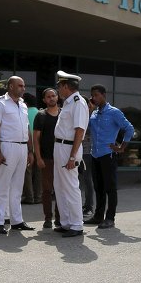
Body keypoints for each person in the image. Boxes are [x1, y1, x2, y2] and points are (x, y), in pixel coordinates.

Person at [0, 76, 34, 234]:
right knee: (2, 186)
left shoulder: (23, 105)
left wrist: (30, 150)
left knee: (17, 186)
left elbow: (27, 129)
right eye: (20, 85)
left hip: (22, 148)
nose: (23, 88)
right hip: (7, 146)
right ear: (10, 86)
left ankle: (17, 220)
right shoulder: (0, 103)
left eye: (24, 85)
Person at [84, 84, 135, 229]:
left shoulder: (114, 112)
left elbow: (129, 128)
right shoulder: (93, 114)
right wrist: (88, 112)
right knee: (98, 187)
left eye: (96, 95)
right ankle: (98, 216)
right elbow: (86, 130)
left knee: (110, 188)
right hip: (95, 154)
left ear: (104, 95)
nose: (93, 98)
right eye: (92, 95)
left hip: (108, 155)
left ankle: (110, 218)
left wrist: (121, 147)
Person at [52, 71, 89, 237]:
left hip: (69, 149)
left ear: (66, 86)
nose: (58, 89)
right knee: (60, 187)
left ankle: (76, 225)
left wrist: (73, 156)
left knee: (71, 187)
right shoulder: (68, 103)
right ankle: (66, 222)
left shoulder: (78, 102)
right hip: (60, 146)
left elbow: (79, 131)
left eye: (59, 86)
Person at [32, 88, 61, 229]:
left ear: (57, 97)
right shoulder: (41, 115)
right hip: (47, 158)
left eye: (53, 95)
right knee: (47, 190)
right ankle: (48, 218)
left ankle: (60, 218)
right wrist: (38, 157)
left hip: (61, 158)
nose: (51, 98)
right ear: (44, 100)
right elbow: (35, 139)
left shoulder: (64, 114)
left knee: (61, 190)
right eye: (48, 96)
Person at [20, 92, 42, 204]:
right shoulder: (40, 113)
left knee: (27, 172)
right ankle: (38, 197)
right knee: (38, 174)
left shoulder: (23, 112)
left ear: (26, 102)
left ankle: (29, 197)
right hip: (39, 147)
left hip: (28, 147)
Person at [79, 98, 96, 219]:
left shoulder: (93, 117)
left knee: (87, 179)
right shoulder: (81, 115)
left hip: (87, 152)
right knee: (80, 179)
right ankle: (84, 205)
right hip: (78, 151)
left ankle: (89, 207)